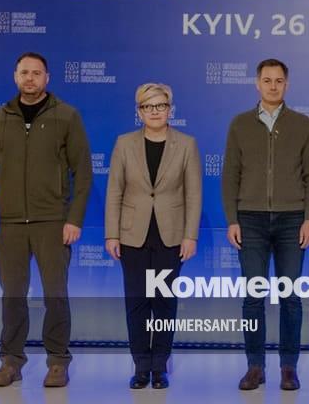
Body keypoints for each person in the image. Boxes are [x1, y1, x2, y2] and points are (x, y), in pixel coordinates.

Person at [0, 52, 93, 388]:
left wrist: (73, 219)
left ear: (47, 78)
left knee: (56, 294)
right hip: (11, 224)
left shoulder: (66, 116)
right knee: (12, 296)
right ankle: (11, 362)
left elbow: (83, 173)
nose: (30, 78)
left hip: (52, 222)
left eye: (36, 73)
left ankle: (57, 362)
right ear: (15, 77)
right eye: (24, 72)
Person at [222, 58, 309, 391]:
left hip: (292, 219)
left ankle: (288, 367)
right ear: (257, 84)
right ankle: (255, 366)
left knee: (290, 296)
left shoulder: (302, 124)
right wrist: (232, 219)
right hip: (249, 219)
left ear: (287, 84)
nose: (273, 86)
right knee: (253, 296)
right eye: (267, 80)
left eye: (279, 81)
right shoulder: (239, 124)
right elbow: (230, 175)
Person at [105, 83, 202, 390]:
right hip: (132, 235)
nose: (155, 111)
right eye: (148, 106)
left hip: (170, 236)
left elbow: (193, 194)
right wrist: (112, 234)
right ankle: (140, 367)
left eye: (161, 106)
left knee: (164, 302)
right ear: (139, 111)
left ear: (170, 109)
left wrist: (190, 236)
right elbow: (115, 191)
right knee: (137, 302)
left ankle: (159, 367)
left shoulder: (186, 144)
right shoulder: (124, 143)